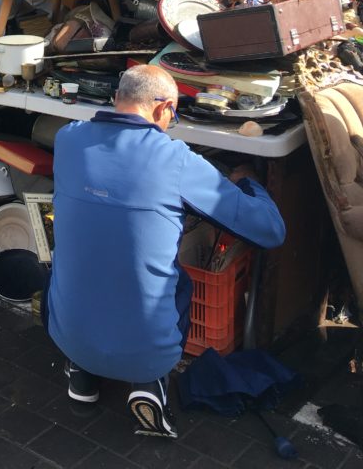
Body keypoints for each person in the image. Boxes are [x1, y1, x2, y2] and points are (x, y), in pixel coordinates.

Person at [45, 63, 285, 438]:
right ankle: (149, 382)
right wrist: (249, 184)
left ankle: (82, 373)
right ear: (162, 109)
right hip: (147, 351)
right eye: (173, 114)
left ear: (117, 100)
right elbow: (269, 231)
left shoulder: (68, 139)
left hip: (65, 332)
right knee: (176, 282)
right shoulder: (176, 159)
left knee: (84, 259)